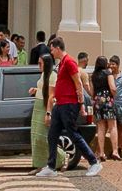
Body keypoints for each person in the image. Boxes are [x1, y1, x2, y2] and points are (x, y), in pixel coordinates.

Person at [34, 36, 104, 179]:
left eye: (52, 49)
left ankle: (93, 162)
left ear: (58, 48)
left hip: (68, 104)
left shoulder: (70, 62)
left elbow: (78, 83)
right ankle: (51, 166)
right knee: (52, 134)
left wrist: (81, 104)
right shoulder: (62, 63)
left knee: (73, 134)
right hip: (60, 104)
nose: (51, 52)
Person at [30, 46, 54, 170]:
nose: (38, 65)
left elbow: (51, 96)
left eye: (40, 63)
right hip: (38, 105)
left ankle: (60, 157)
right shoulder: (43, 74)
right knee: (35, 136)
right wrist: (35, 90)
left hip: (45, 107)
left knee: (42, 137)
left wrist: (48, 113)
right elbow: (42, 89)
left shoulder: (52, 76)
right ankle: (39, 165)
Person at [90, 56, 117, 159]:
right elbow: (113, 88)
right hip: (107, 99)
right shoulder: (108, 73)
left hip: (97, 101)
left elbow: (92, 92)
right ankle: (115, 151)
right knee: (112, 126)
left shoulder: (93, 75)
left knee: (101, 127)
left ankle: (101, 152)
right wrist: (114, 95)